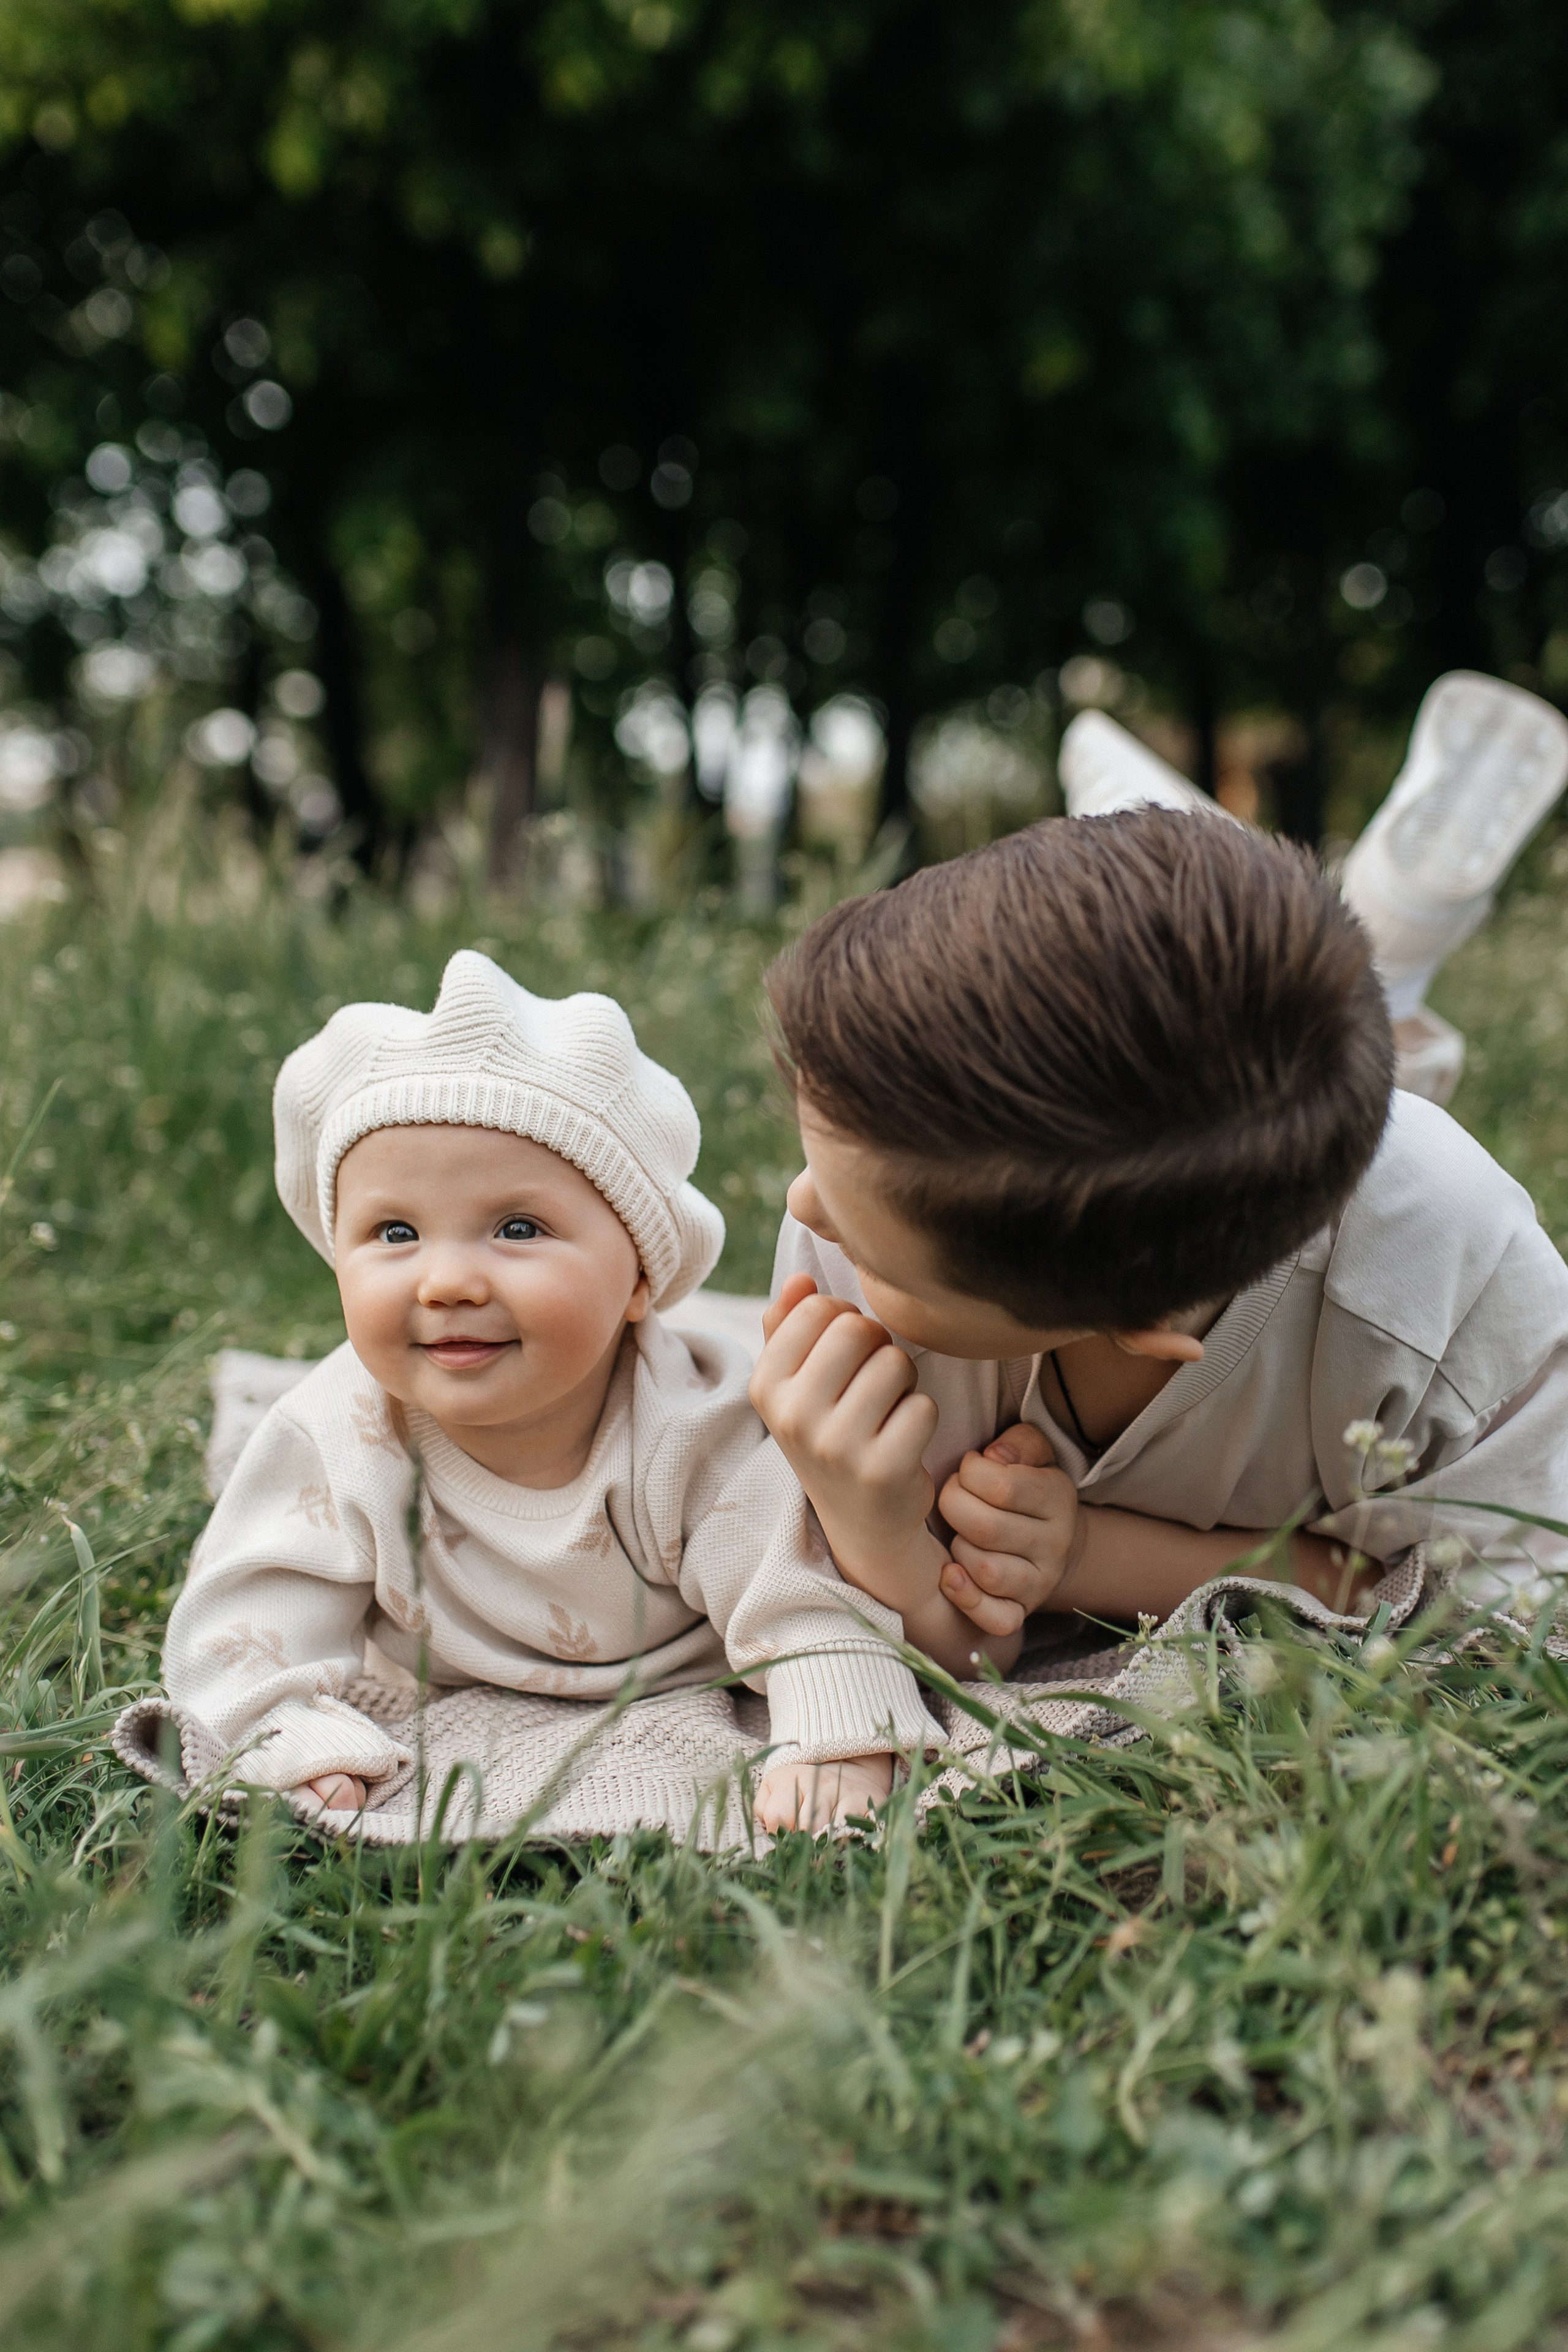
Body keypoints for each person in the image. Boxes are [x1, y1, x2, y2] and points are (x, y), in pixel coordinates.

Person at [748, 808, 1568, 1667]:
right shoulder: (879, 1181)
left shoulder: (1454, 1300)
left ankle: (1392, 977)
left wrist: (1091, 1558)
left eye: (877, 1260)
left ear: (1145, 1325)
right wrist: (866, 1530)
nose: (806, 1209)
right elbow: (965, 1666)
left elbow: (1459, 1614)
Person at [162, 951, 938, 1832]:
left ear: (640, 1279)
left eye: (518, 1228)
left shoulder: (690, 1426)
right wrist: (274, 1729)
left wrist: (838, 1728)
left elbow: (794, 1582)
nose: (447, 1280)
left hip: (680, 1656)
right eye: (395, 1232)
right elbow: (247, 1605)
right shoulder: (338, 1429)